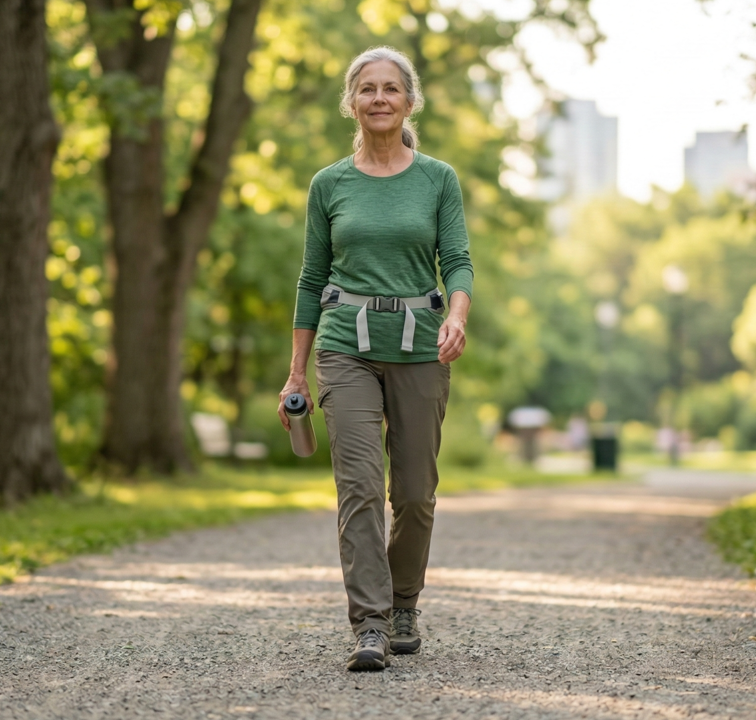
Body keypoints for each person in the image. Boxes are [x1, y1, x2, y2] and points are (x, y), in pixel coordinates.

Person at [278, 46, 473, 672]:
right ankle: (369, 622)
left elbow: (459, 262)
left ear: (409, 101)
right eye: (368, 89)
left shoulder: (438, 178)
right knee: (359, 485)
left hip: (419, 343)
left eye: (392, 89)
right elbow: (311, 280)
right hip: (344, 346)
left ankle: (405, 602)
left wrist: (457, 315)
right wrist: (295, 370)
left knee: (414, 493)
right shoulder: (328, 184)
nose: (380, 98)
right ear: (352, 103)